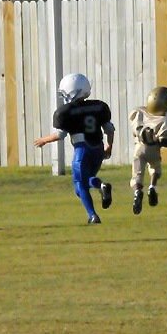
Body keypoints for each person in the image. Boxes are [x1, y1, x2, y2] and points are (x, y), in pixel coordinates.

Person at [34, 73, 114, 224]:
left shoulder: (66, 112)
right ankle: (101, 186)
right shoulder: (99, 106)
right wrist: (109, 145)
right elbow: (109, 129)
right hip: (98, 147)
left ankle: (93, 215)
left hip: (82, 150)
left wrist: (44, 140)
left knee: (80, 183)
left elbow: (60, 134)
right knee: (85, 182)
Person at [128, 87, 167, 215]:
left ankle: (137, 192)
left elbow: (137, 129)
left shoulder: (139, 112)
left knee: (137, 173)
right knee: (155, 168)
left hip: (139, 148)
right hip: (153, 149)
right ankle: (152, 186)